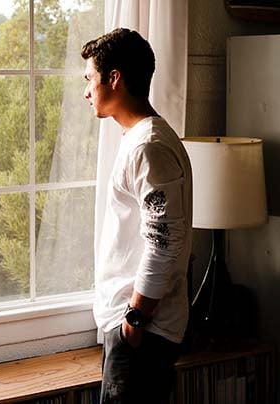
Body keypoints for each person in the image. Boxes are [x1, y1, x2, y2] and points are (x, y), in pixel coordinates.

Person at [81, 28, 193, 404]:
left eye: (90, 80)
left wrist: (135, 319)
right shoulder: (141, 138)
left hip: (144, 332)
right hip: (138, 327)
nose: (86, 92)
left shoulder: (149, 146)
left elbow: (164, 242)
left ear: (115, 78)